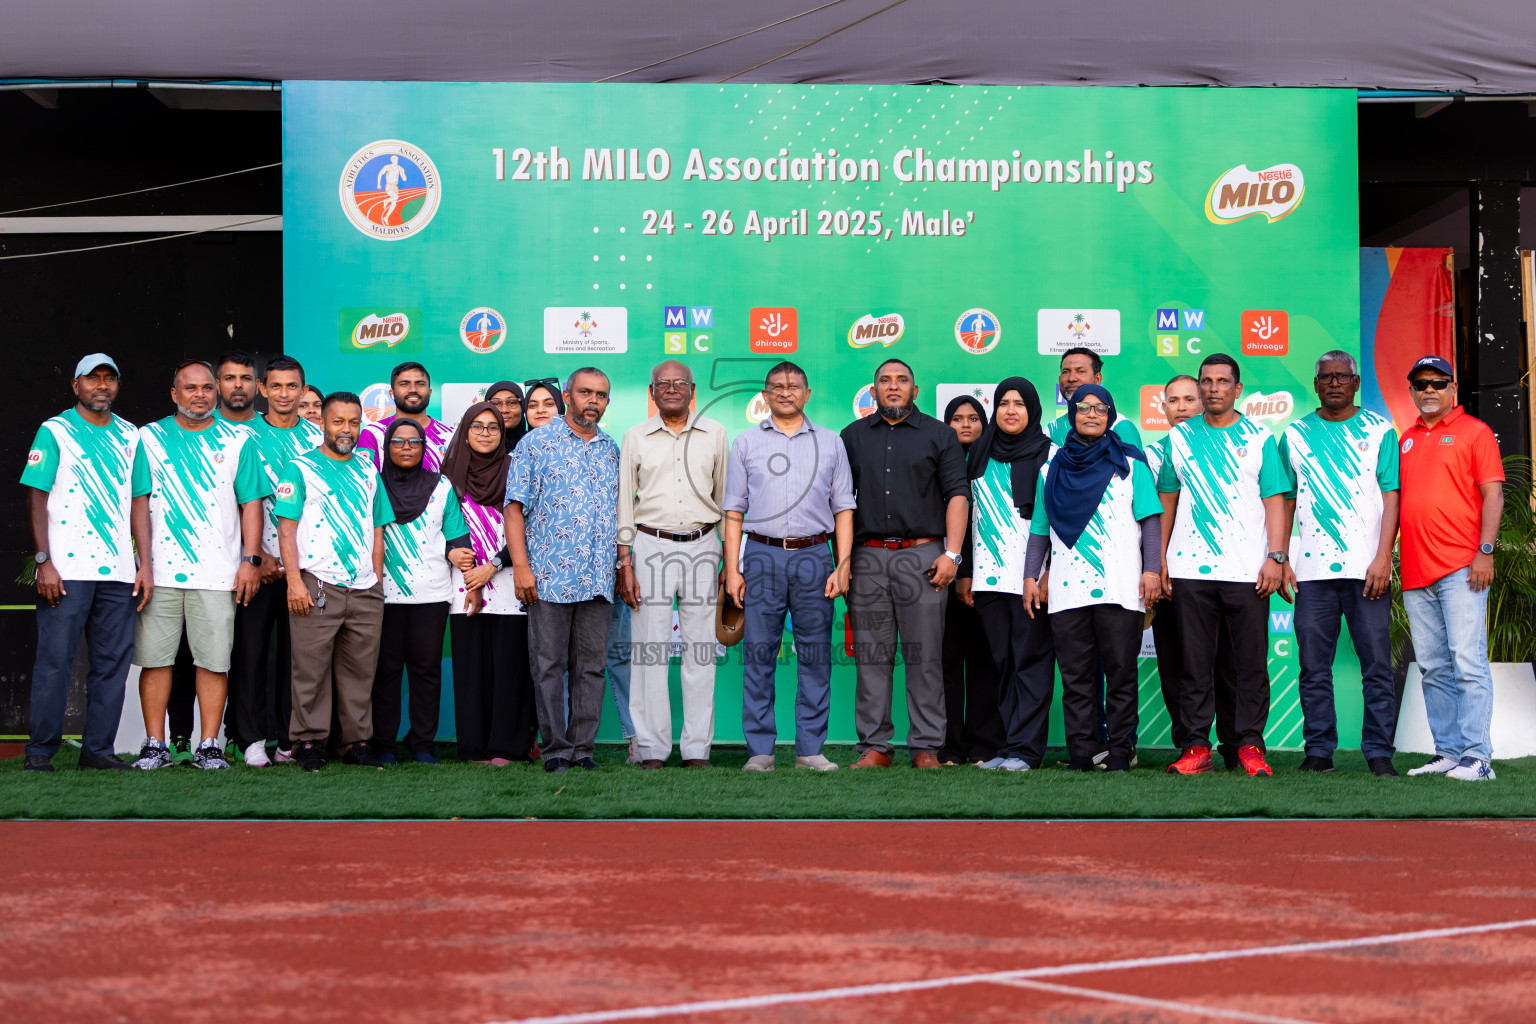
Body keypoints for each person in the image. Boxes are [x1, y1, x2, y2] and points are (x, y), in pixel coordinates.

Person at [130, 359, 268, 771]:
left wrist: (250, 560)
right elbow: (138, 502)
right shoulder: (148, 437)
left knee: (213, 661)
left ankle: (209, 746)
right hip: (161, 572)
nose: (200, 395)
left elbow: (252, 504)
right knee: (157, 660)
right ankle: (154, 745)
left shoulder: (239, 440)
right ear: (175, 394)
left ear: (216, 391)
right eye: (190, 388)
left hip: (218, 573)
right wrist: (143, 563)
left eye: (207, 388)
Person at [1157, 353, 1289, 777]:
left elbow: (1275, 501)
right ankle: (1196, 747)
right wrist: (1160, 559)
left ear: (1238, 388)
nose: (1214, 388)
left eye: (1222, 381)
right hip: (1189, 569)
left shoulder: (1260, 437)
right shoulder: (1178, 438)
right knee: (1194, 666)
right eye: (1207, 381)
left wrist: (1276, 556)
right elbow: (1167, 503)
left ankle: (1248, 746)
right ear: (1200, 388)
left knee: (1248, 665)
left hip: (1247, 571)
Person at [21, 354, 151, 772]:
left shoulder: (131, 435)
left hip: (118, 572)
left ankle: (97, 751)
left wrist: (145, 564)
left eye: (109, 378)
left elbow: (139, 502)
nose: (102, 385)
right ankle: (40, 750)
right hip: (66, 571)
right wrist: (44, 561)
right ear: (76, 385)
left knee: (111, 665)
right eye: (92, 378)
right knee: (55, 663)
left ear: (117, 386)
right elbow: (36, 496)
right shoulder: (55, 430)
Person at [724, 361, 854, 772]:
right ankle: (760, 751)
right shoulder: (746, 443)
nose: (785, 392)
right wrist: (733, 569)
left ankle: (809, 750)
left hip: (815, 555)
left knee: (815, 656)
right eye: (777, 386)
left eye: (793, 385)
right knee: (758, 655)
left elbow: (844, 509)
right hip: (761, 556)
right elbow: (733, 511)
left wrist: (843, 564)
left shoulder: (831, 443)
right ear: (765, 395)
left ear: (807, 394)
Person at [1024, 384, 1162, 771]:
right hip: (1068, 589)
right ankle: (1081, 753)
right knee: (1076, 678)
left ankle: (1120, 752)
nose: (1091, 414)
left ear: (1110, 416)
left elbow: (1150, 520)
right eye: (1083, 407)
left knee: (1120, 674)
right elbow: (1039, 528)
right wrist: (1031, 577)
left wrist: (1152, 569)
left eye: (1101, 409)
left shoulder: (1131, 464)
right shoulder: (1051, 468)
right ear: (1072, 414)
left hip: (1121, 586)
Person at [840, 358, 968, 769]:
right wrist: (843, 561)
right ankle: (875, 746)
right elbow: (840, 503)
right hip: (867, 557)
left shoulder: (940, 434)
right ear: (873, 390)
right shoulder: (851, 436)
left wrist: (952, 554)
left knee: (925, 656)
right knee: (871, 657)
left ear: (915, 389)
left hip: (924, 556)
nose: (893, 386)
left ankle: (926, 747)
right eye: (884, 380)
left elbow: (958, 495)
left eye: (902, 380)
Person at [1279, 350, 1401, 777]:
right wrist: (1282, 557)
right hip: (1312, 574)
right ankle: (1319, 751)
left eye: (1342, 376)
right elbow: (1285, 502)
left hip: (1367, 571)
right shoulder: (1294, 435)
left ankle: (1379, 752)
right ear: (1315, 385)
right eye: (1326, 377)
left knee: (1377, 666)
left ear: (1356, 382)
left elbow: (1391, 497)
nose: (1334, 383)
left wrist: (1384, 557)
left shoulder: (1380, 431)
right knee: (1313, 667)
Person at [505, 368, 621, 773]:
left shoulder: (611, 449)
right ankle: (555, 749)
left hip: (598, 578)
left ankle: (582, 749)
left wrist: (620, 565)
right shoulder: (535, 443)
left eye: (601, 395)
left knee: (591, 669)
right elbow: (513, 509)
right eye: (585, 392)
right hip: (548, 578)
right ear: (567, 396)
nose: (593, 401)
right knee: (548, 667)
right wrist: (521, 567)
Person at [275, 391, 395, 772]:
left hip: (364, 588)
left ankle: (355, 744)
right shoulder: (299, 468)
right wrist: (294, 582)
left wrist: (375, 580)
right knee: (310, 670)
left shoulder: (368, 470)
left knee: (360, 671)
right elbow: (285, 530)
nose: (347, 429)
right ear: (323, 423)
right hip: (316, 584)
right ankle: (309, 743)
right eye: (338, 421)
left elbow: (378, 529)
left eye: (354, 422)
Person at [617, 360, 729, 769]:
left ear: (692, 390)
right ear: (651, 392)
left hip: (704, 545)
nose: (671, 388)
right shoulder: (635, 437)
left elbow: (726, 500)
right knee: (649, 651)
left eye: (679, 382)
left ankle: (697, 750)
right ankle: (651, 749)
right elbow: (624, 503)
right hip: (650, 545)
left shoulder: (715, 433)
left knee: (701, 651)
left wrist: (728, 559)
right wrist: (625, 562)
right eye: (662, 383)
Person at [1398, 355, 1504, 782]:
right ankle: (1448, 752)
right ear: (1411, 390)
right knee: (1433, 666)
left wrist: (1486, 550)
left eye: (1438, 382)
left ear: (1453, 388)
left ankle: (1478, 758)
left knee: (1467, 661)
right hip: (1416, 570)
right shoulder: (1406, 438)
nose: (1429, 390)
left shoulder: (1475, 431)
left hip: (1462, 565)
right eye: (1421, 383)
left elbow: (1493, 494)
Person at [226, 355, 324, 767]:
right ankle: (250, 738)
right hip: (256, 567)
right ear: (263, 389)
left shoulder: (317, 437)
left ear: (303, 391)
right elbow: (229, 502)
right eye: (276, 386)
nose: (285, 394)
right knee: (249, 654)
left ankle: (289, 739)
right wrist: (255, 556)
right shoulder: (239, 436)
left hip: (304, 570)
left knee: (297, 658)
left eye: (292, 386)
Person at [958, 378, 1054, 772]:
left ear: (1032, 409)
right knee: (1002, 665)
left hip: (1031, 579)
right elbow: (967, 515)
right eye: (1003, 403)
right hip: (988, 578)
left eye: (1019, 404)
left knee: (1030, 664)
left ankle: (1026, 751)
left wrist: (1047, 573)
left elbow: (1059, 521)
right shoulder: (980, 452)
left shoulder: (1049, 454)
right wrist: (966, 572)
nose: (1010, 411)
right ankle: (1005, 746)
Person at [1145, 374, 1241, 768]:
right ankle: (1190, 745)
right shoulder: (1150, 455)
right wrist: (1155, 566)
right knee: (1175, 663)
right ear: (1164, 408)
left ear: (1203, 401)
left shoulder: (1230, 446)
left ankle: (1236, 745)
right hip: (1168, 576)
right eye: (1173, 400)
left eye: (1189, 398)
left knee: (1228, 663)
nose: (1182, 407)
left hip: (1223, 574)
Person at [441, 403, 537, 764]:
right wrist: (463, 565)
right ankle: (474, 747)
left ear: (503, 432)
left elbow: (531, 527)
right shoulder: (448, 475)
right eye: (477, 426)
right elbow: (437, 528)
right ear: (465, 431)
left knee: (510, 668)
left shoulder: (517, 470)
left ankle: (507, 747)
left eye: (493, 427)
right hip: (464, 586)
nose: (485, 433)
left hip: (511, 582)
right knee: (471, 669)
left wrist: (491, 567)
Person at [373, 417, 472, 765]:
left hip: (430, 595)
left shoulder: (440, 486)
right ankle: (383, 744)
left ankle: (422, 745)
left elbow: (457, 537)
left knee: (426, 671)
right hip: (382, 595)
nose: (406, 448)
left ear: (423, 447)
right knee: (385, 672)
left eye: (414, 442)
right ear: (387, 446)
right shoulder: (372, 485)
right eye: (398, 442)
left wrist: (458, 554)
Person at [938, 394, 1001, 766]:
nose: (965, 424)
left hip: (988, 579)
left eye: (974, 418)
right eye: (957, 418)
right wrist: (959, 572)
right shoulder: (935, 462)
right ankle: (949, 745)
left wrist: (972, 574)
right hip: (942, 577)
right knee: (946, 662)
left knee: (984, 663)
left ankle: (983, 744)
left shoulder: (995, 463)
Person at [357, 362, 453, 470]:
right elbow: (365, 477)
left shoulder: (450, 435)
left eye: (420, 384)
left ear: (429, 392)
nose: (413, 389)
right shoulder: (373, 433)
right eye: (404, 384)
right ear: (391, 393)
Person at [1047, 348, 1143, 448]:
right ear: (1059, 379)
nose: (1071, 378)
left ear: (1097, 379)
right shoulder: (1051, 429)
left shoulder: (1120, 425)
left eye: (1081, 371)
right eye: (1065, 372)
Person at [214, 350, 259, 424]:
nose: (238, 385)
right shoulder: (201, 425)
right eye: (229, 378)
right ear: (218, 386)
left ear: (257, 386)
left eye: (246, 378)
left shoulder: (273, 426)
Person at [484, 381, 528, 451]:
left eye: (512, 402)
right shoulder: (478, 446)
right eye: (496, 403)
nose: (504, 410)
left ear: (522, 407)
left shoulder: (536, 444)